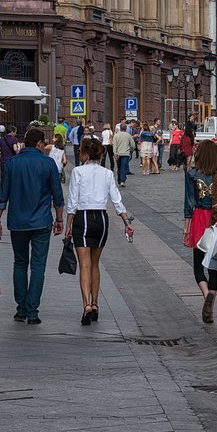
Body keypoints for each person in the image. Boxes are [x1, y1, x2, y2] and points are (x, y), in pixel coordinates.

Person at [0, 128, 64, 326]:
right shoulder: (48, 163)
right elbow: (57, 195)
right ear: (39, 143)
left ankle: (21, 309)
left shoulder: (12, 163)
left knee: (20, 263)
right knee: (38, 266)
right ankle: (32, 312)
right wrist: (59, 219)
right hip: (41, 222)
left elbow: (3, 193)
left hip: (18, 222)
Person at [65, 138, 133, 325]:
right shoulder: (107, 173)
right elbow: (116, 199)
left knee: (84, 265)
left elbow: (72, 200)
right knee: (95, 264)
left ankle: (86, 305)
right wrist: (126, 221)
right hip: (101, 220)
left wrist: (68, 224)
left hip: (83, 218)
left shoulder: (78, 172)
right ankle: (95, 304)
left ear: (86, 154)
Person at [184, 140, 217, 323]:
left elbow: (188, 201)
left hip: (199, 219)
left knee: (198, 265)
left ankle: (206, 296)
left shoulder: (192, 173)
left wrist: (186, 229)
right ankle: (212, 294)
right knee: (214, 266)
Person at [112, 122, 135, 187]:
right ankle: (122, 180)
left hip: (118, 153)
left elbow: (114, 145)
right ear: (125, 128)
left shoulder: (116, 135)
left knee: (119, 167)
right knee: (123, 167)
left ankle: (119, 180)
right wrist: (131, 150)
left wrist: (115, 153)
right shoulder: (128, 135)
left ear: (120, 128)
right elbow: (133, 145)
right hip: (126, 153)